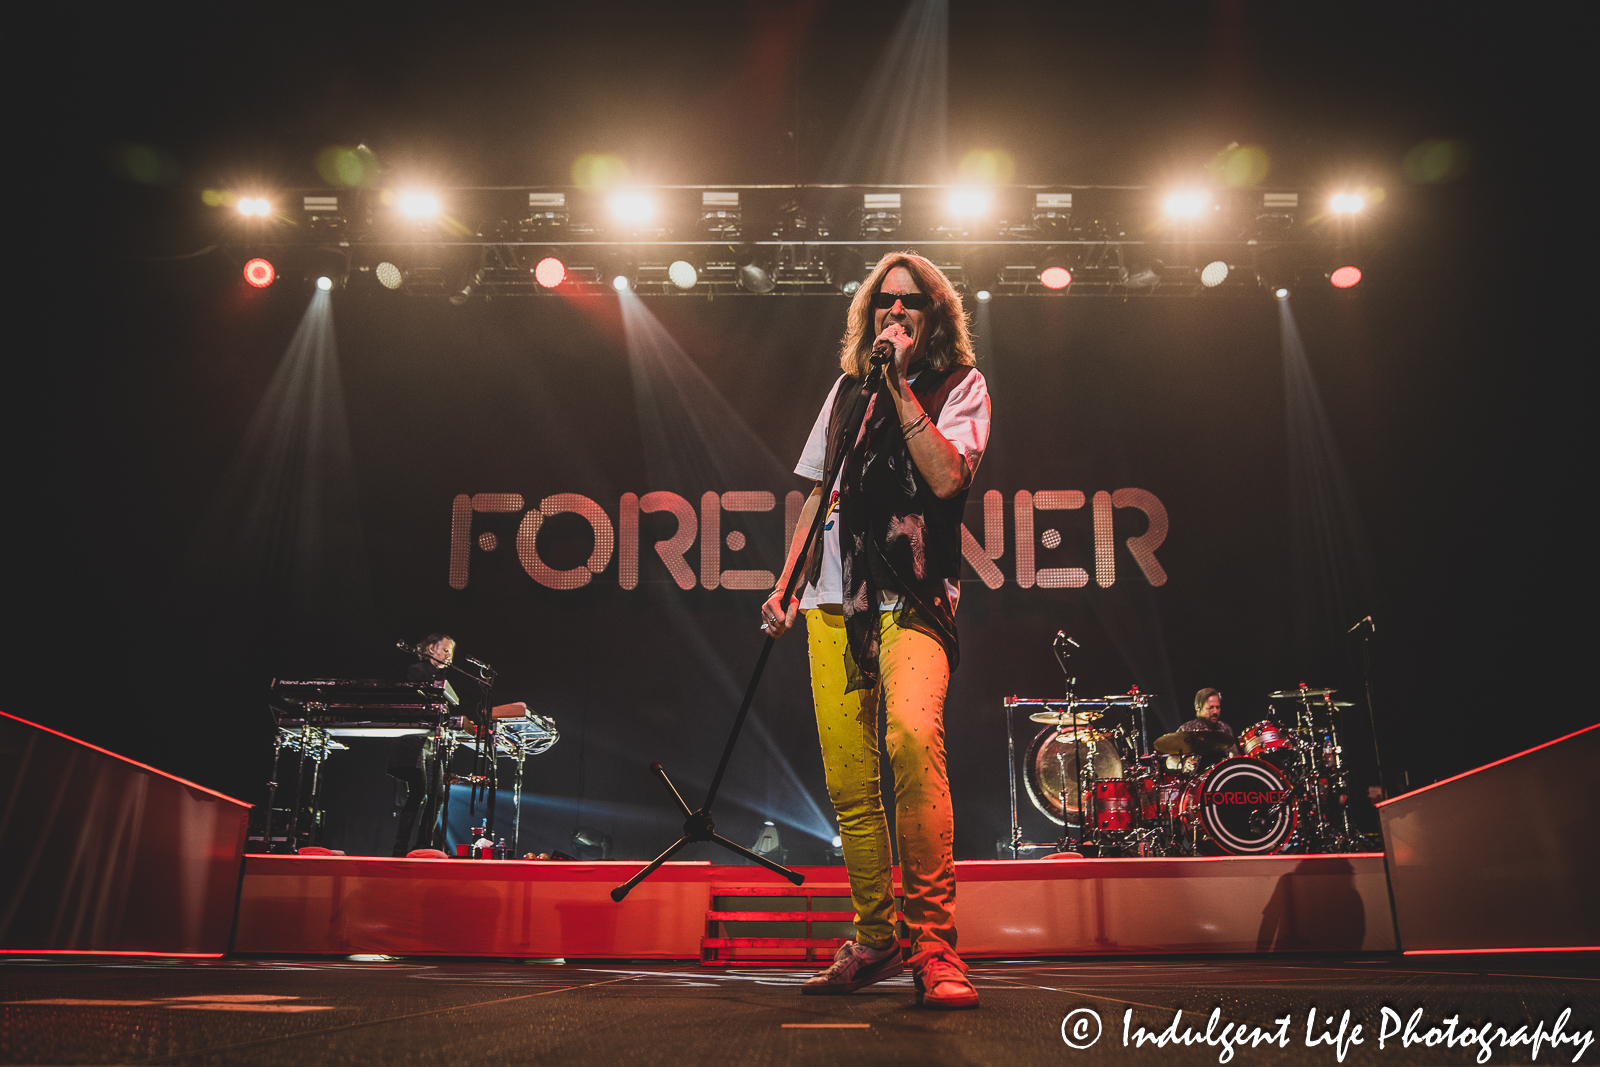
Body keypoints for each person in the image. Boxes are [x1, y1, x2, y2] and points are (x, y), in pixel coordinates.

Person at [761, 252, 990, 1010]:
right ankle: (874, 933)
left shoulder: (962, 387)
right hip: (831, 599)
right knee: (849, 777)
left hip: (915, 598)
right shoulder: (846, 391)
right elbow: (816, 495)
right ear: (869, 312)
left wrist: (896, 388)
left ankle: (934, 943)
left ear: (936, 313)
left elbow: (947, 476)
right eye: (885, 301)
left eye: (912, 301)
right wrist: (786, 580)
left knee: (911, 742)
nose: (897, 311)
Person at [389, 633, 455, 856]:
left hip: (431, 742)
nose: (449, 655)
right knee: (418, 792)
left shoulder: (440, 676)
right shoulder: (418, 670)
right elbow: (411, 702)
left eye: (451, 651)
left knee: (437, 794)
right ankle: (401, 847)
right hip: (416, 740)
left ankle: (423, 845)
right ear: (431, 649)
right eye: (445, 650)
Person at [1177, 688, 1240, 766]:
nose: (1215, 712)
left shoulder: (1225, 728)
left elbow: (1235, 754)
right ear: (1198, 708)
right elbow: (1170, 761)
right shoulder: (1187, 729)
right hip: (1198, 777)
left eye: (1218, 707)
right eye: (1211, 707)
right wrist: (1185, 763)